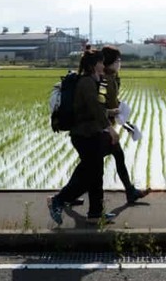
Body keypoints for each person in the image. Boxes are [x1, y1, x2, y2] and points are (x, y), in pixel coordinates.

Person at [47, 48, 119, 225]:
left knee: (95, 174)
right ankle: (58, 199)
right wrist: (110, 129)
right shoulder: (86, 83)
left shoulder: (95, 81)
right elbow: (94, 108)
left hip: (92, 133)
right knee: (89, 175)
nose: (103, 65)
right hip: (84, 135)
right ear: (94, 65)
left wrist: (110, 110)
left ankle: (95, 213)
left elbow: (99, 107)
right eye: (101, 62)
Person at [100, 45, 149, 204]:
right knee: (90, 165)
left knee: (95, 163)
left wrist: (124, 121)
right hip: (100, 126)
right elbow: (99, 105)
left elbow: (111, 102)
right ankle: (63, 197)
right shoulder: (104, 80)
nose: (119, 63)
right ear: (109, 63)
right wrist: (112, 118)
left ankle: (130, 191)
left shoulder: (112, 78)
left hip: (106, 125)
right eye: (117, 60)